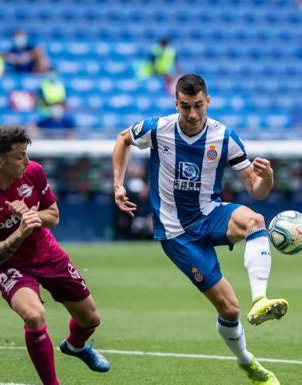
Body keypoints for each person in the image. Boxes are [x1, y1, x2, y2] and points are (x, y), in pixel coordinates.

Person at [113, 74, 285, 385]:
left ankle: (260, 299)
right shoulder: (157, 128)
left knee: (255, 221)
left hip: (210, 214)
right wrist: (117, 184)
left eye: (198, 106)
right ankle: (247, 362)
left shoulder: (224, 137)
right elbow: (123, 138)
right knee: (230, 309)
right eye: (185, 107)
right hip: (176, 233)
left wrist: (268, 177)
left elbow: (257, 191)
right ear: (175, 103)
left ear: (208, 101)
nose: (192, 114)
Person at [0, 125, 110, 385]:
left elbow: (53, 215)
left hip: (47, 252)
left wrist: (31, 216)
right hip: (9, 265)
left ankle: (75, 346)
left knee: (90, 319)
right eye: (20, 156)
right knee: (33, 316)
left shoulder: (34, 172)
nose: (27, 161)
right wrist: (20, 232)